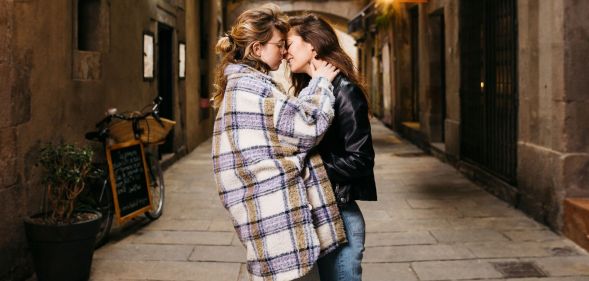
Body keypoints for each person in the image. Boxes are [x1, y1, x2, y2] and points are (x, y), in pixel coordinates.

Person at [211, 5, 347, 281]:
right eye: (280, 45)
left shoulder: (243, 83)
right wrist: (320, 84)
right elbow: (307, 129)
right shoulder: (254, 88)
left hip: (265, 211)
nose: (284, 52)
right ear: (257, 49)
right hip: (275, 210)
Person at [286, 14, 377, 281]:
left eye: (289, 44)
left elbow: (361, 159)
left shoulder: (345, 90)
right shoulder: (310, 91)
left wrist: (307, 169)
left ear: (311, 46)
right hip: (319, 212)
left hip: (340, 215)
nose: (285, 53)